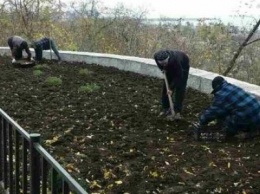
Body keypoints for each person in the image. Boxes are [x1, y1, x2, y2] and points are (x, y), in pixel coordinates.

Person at [193, 76, 260, 139]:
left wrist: (201, 121)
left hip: (248, 118)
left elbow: (213, 112)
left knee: (226, 126)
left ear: (217, 87)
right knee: (229, 112)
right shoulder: (233, 87)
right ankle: (255, 129)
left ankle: (244, 133)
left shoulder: (221, 95)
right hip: (257, 114)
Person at [154, 49, 190, 119]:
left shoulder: (175, 61)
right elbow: (160, 65)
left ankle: (177, 110)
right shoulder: (156, 56)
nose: (164, 64)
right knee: (165, 88)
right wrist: (162, 68)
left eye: (165, 63)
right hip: (170, 67)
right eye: (162, 63)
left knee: (180, 87)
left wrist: (171, 88)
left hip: (183, 66)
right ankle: (166, 107)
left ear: (168, 59)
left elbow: (178, 76)